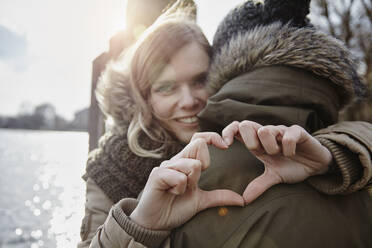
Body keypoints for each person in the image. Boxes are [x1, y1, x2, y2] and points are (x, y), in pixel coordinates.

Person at [78, 0, 372, 247]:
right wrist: (140, 223)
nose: (189, 100)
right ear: (145, 98)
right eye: (165, 88)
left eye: (200, 80)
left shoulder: (246, 134)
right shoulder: (111, 168)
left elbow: (349, 130)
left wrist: (333, 155)